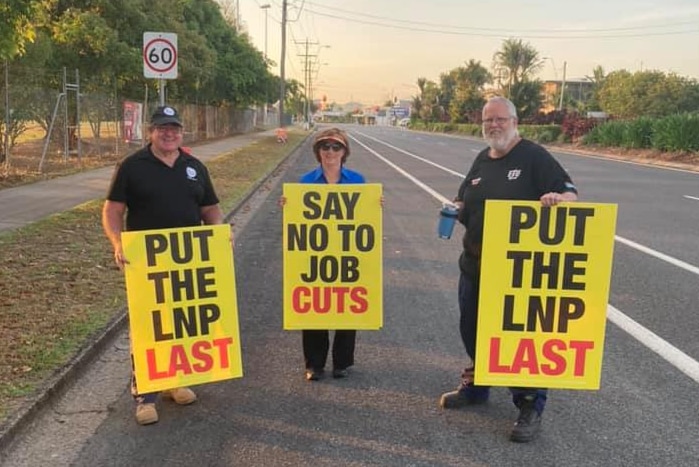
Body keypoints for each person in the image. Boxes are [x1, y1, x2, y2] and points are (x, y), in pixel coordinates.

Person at [439, 96, 578, 443]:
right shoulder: (481, 160)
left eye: (501, 119)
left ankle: (529, 404)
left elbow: (571, 193)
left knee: (519, 341)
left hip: (518, 273)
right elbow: (463, 199)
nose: (494, 125)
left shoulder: (533, 157)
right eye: (489, 120)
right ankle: (478, 385)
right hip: (475, 265)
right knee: (472, 329)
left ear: (515, 122)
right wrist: (453, 207)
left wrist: (557, 201)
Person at [102, 105, 228, 425]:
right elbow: (113, 210)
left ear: (181, 133)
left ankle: (175, 380)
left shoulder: (194, 166)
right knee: (150, 325)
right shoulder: (132, 166)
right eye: (162, 128)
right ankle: (145, 394)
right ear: (151, 132)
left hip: (189, 261)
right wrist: (118, 243)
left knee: (184, 319)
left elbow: (210, 209)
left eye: (174, 128)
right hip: (147, 262)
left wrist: (218, 236)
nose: (169, 133)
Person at [281, 128, 367, 382]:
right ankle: (314, 364)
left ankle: (342, 363)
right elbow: (297, 219)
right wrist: (288, 207)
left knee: (346, 305)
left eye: (336, 147)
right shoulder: (306, 182)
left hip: (346, 253)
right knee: (314, 306)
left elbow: (365, 218)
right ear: (318, 152)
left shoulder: (358, 181)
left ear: (344, 152)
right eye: (325, 147)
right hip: (315, 255)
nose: (330, 152)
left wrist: (376, 205)